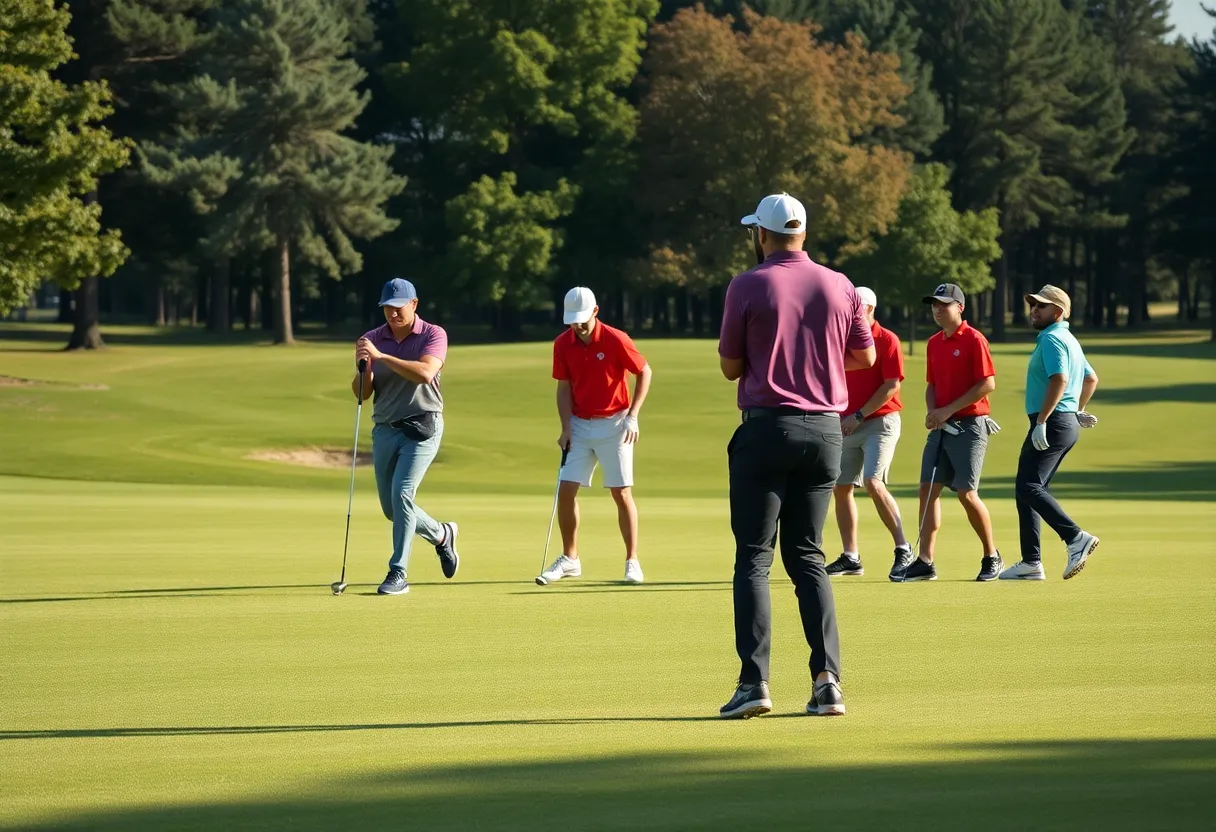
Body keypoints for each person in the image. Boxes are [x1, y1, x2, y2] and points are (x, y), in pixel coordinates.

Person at [717, 193, 876, 720]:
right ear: (802, 232)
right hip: (826, 432)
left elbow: (730, 366)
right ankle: (827, 682)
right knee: (808, 557)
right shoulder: (841, 285)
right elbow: (865, 355)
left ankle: (754, 683)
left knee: (755, 558)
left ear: (761, 235)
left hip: (767, 428)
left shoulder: (748, 284)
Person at [537, 286, 653, 586]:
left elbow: (644, 372)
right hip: (579, 425)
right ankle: (570, 559)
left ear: (596, 312)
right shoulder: (563, 344)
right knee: (566, 490)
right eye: (573, 322)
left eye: (583, 321)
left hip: (615, 424)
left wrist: (633, 416)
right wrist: (565, 427)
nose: (578, 327)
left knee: (621, 492)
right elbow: (563, 387)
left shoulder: (616, 339)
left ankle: (632, 561)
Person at [354, 278, 459, 596]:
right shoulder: (372, 339)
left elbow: (426, 373)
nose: (392, 314)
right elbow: (362, 395)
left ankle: (397, 572)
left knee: (402, 494)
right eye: (387, 307)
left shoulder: (433, 334)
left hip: (422, 427)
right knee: (392, 508)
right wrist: (365, 368)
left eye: (398, 307)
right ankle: (442, 534)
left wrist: (383, 358)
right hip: (385, 429)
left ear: (414, 304)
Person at [900, 283, 1002, 583]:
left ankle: (991, 555)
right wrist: (933, 412)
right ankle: (925, 561)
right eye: (934, 304)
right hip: (942, 428)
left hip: (970, 426)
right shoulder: (934, 342)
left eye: (944, 304)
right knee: (926, 489)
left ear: (960, 307)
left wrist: (947, 411)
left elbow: (987, 384)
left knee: (966, 493)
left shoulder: (974, 339)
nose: (937, 309)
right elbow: (932, 385)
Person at [1000, 285, 1101, 581]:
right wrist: (1077, 409)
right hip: (1063, 421)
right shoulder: (1068, 339)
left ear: (1057, 312)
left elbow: (1060, 378)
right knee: (1027, 489)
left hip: (1052, 422)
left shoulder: (1052, 339)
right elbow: (1091, 378)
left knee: (1029, 486)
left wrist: (1043, 419)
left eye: (1041, 306)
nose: (1034, 310)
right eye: (1033, 305)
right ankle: (1031, 562)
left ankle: (1075, 538)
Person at [825, 286, 914, 581]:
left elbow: (891, 386)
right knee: (841, 487)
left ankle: (903, 549)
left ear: (871, 309)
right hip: (846, 423)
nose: (851, 313)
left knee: (874, 482)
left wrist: (858, 415)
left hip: (880, 422)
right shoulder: (840, 339)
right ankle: (851, 557)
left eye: (857, 308)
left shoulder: (887, 339)